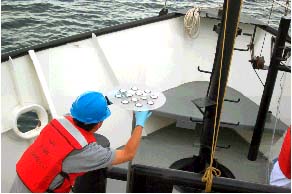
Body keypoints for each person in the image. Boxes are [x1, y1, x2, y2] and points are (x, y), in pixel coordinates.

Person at [10, 91, 152, 193]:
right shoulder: (86, 151)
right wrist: (140, 123)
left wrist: (105, 100)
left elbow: (83, 111)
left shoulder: (59, 121)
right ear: (98, 124)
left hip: (21, 183)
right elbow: (128, 154)